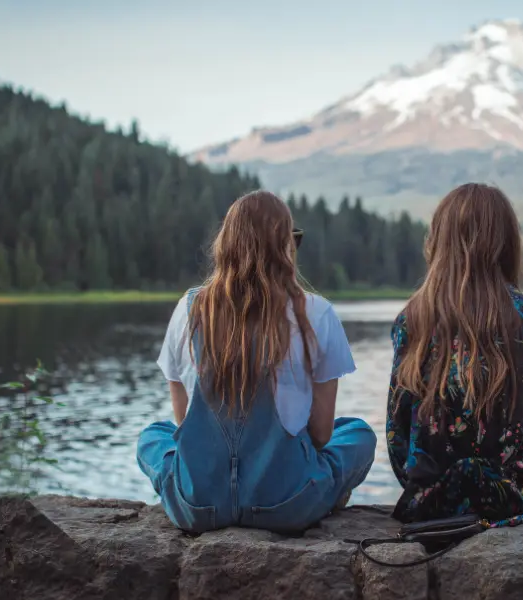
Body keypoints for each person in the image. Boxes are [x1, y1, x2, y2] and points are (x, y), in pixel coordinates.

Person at [137, 190, 376, 534]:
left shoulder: (190, 309)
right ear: (285, 248)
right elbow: (322, 434)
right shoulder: (317, 312)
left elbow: (183, 425)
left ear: (226, 245)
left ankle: (181, 491)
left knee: (153, 436)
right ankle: (325, 489)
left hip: (199, 507)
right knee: (357, 433)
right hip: (287, 505)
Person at [386, 183, 523, 526]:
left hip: (435, 508)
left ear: (438, 241)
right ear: (507, 244)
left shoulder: (412, 321)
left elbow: (398, 440)